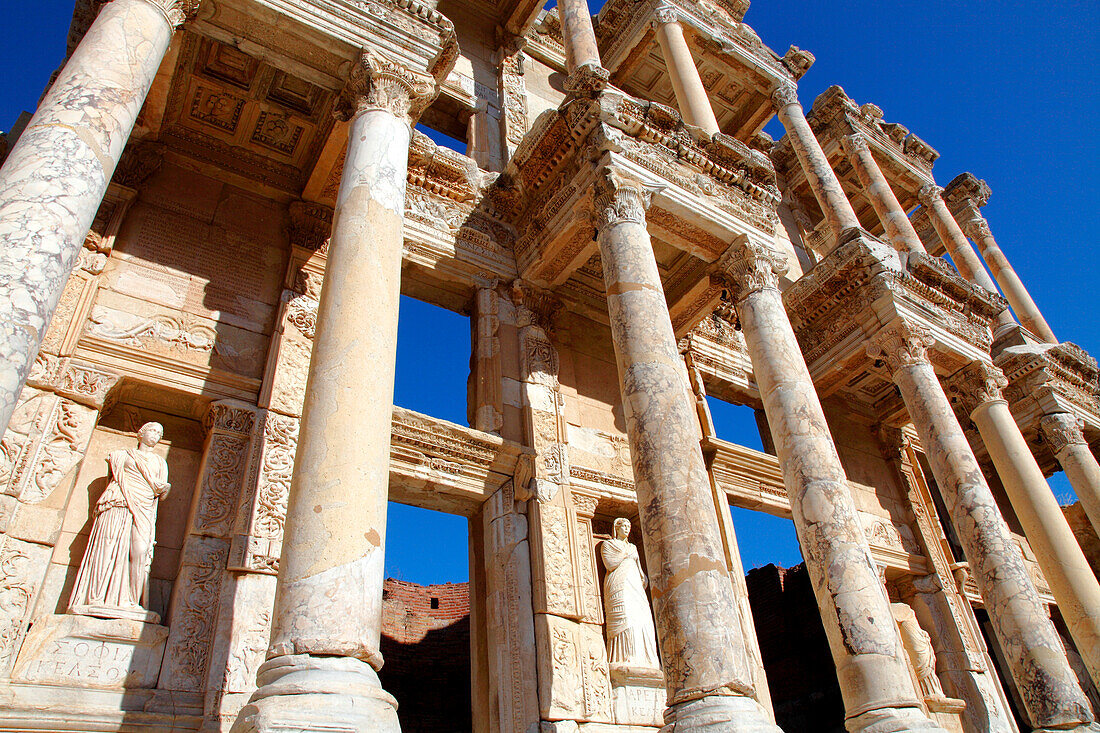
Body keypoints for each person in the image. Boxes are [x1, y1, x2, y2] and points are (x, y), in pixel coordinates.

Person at [69, 422, 170, 620]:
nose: (156, 435)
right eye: (152, 430)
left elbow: (162, 493)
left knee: (139, 551)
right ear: (140, 434)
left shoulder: (160, 462)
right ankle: (95, 597)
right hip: (117, 503)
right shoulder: (120, 455)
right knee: (107, 547)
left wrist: (166, 489)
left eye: (160, 432)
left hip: (143, 508)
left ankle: (131, 600)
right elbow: (112, 479)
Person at [600, 517, 659, 669]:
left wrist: (644, 578)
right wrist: (626, 556)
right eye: (624, 526)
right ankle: (624, 656)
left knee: (642, 617)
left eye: (628, 526)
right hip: (619, 582)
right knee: (625, 616)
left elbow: (640, 572)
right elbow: (610, 563)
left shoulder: (633, 547)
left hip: (635, 585)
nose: (626, 529)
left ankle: (646, 658)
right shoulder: (609, 544)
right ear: (616, 528)